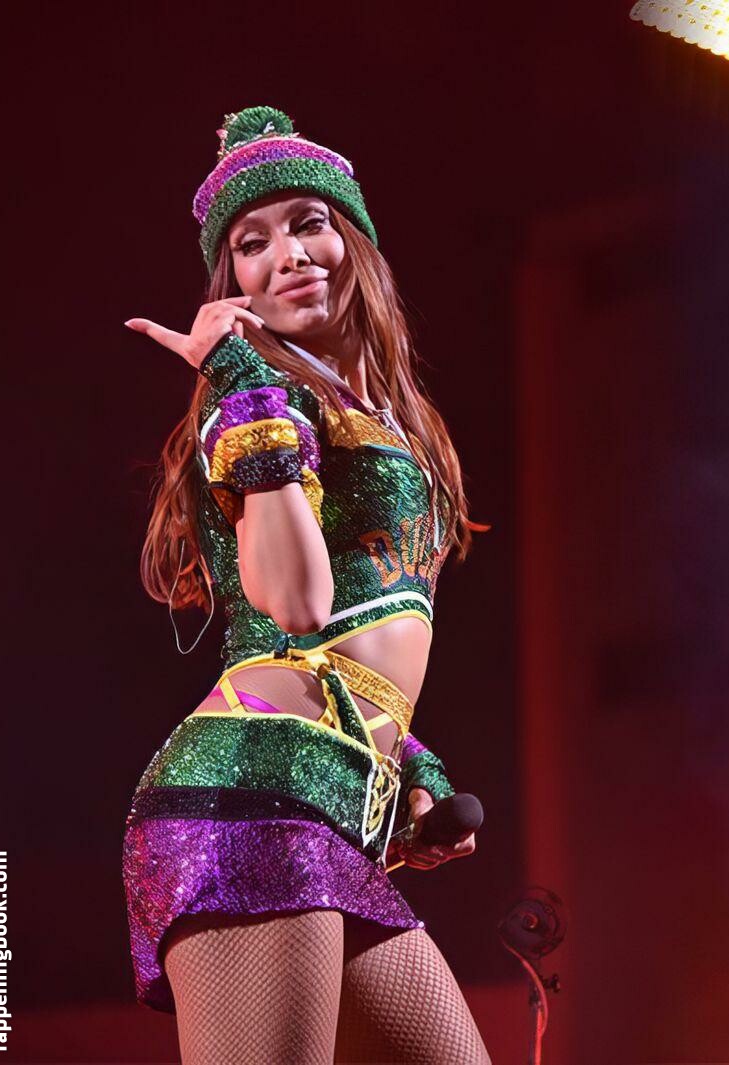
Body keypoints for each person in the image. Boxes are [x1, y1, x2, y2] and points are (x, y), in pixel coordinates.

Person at [121, 106, 489, 1064]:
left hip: (332, 797)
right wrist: (240, 380)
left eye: (308, 223)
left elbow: (346, 635)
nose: (287, 254)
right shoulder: (255, 398)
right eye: (252, 243)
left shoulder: (384, 411)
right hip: (253, 792)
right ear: (232, 283)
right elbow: (294, 606)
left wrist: (409, 762)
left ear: (352, 237)